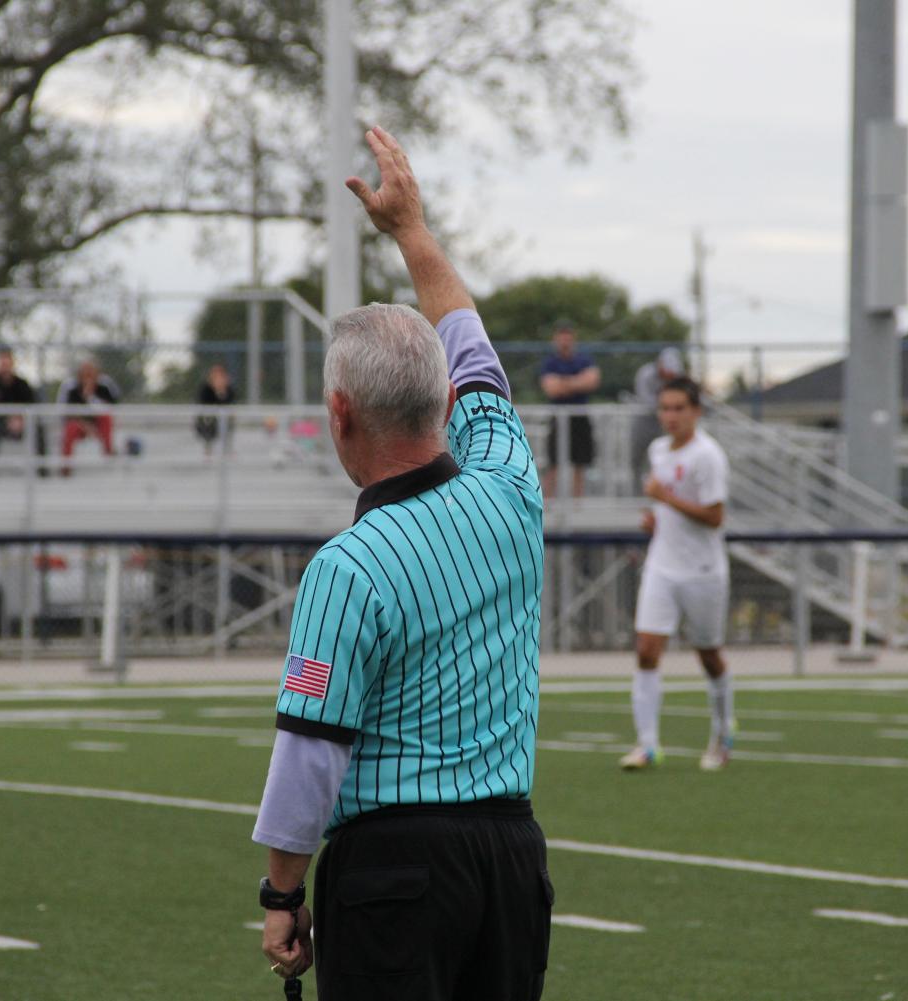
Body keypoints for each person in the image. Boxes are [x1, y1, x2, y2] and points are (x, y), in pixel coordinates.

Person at [253, 126, 551, 1000]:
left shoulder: (349, 566)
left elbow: (310, 748)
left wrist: (281, 891)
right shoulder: (510, 481)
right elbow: (468, 340)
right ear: (446, 400)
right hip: (511, 857)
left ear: (339, 413)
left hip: (392, 870)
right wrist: (411, 232)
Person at [621, 376, 734, 772]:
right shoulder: (657, 450)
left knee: (709, 655)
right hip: (662, 565)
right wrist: (658, 518)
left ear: (696, 412)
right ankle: (647, 744)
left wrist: (666, 499)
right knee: (647, 649)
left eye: (678, 408)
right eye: (665, 408)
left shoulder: (708, 456)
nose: (670, 416)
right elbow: (671, 507)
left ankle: (723, 733)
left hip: (702, 570)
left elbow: (715, 517)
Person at [538, 322, 600, 499]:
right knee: (553, 463)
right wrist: (578, 382)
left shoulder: (584, 359)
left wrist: (563, 383)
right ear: (555, 340)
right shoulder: (550, 362)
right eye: (561, 337)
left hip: (580, 416)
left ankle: (577, 505)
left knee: (580, 463)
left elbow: (592, 381)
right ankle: (546, 504)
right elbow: (550, 388)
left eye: (568, 337)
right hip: (557, 417)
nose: (565, 341)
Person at [0, 348, 45, 476]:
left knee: (39, 430)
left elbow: (32, 406)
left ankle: (43, 471)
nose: (5, 366)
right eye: (2, 363)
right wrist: (6, 420)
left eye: (7, 363)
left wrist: (20, 420)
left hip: (21, 423)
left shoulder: (22, 384)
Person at [56, 359, 120, 473]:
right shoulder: (72, 390)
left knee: (106, 418)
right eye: (85, 373)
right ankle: (66, 466)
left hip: (98, 425)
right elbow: (69, 414)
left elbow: (111, 407)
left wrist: (90, 396)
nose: (88, 376)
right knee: (71, 427)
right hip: (81, 426)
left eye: (91, 372)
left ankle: (108, 452)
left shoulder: (104, 388)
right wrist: (86, 426)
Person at [630, 346, 685, 476]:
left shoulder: (677, 377)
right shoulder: (646, 373)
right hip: (642, 423)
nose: (670, 375)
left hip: (666, 427)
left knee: (665, 460)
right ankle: (636, 494)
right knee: (636, 460)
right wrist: (667, 405)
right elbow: (645, 400)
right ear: (660, 364)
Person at [194, 362, 236, 455]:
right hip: (209, 417)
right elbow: (204, 403)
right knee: (208, 420)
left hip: (223, 417)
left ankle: (227, 448)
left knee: (230, 418)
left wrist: (221, 392)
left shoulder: (228, 389)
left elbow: (229, 402)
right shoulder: (205, 389)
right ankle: (208, 447)